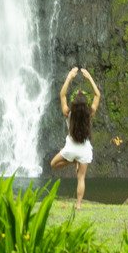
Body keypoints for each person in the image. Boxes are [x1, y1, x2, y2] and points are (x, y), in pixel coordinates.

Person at [47, 67, 100, 207]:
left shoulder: (68, 113)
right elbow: (97, 95)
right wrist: (89, 78)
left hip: (70, 149)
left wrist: (69, 77)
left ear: (74, 105)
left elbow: (62, 95)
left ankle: (72, 161)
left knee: (53, 164)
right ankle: (78, 205)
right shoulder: (90, 113)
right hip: (84, 150)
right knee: (81, 178)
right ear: (85, 106)